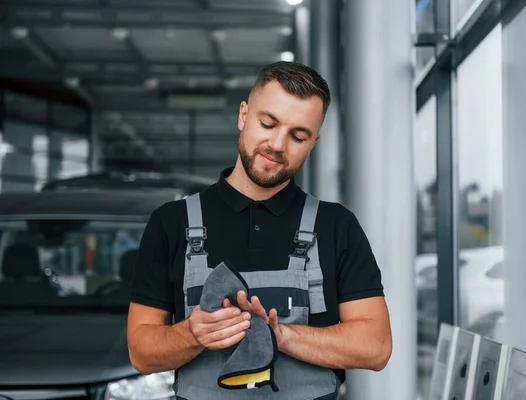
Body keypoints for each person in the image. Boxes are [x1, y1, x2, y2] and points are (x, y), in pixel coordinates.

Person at [127, 61, 392, 400]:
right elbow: (141, 352)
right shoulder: (171, 223)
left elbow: (376, 346)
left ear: (313, 142)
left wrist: (278, 335)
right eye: (268, 123)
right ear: (243, 115)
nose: (278, 145)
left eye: (298, 136)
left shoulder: (336, 226)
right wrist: (193, 334)